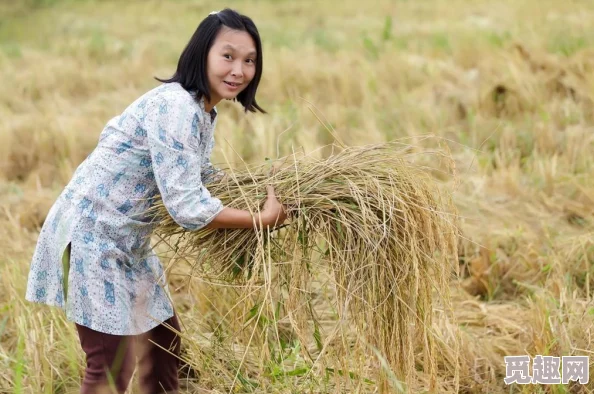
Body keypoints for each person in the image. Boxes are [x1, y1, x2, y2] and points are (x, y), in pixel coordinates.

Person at [25, 8, 287, 394]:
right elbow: (186, 205)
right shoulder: (176, 107)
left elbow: (195, 175)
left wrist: (254, 186)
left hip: (127, 245)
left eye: (250, 61)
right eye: (227, 56)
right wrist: (259, 219)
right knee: (111, 365)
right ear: (201, 54)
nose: (239, 70)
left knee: (164, 350)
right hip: (91, 239)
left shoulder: (201, 111)